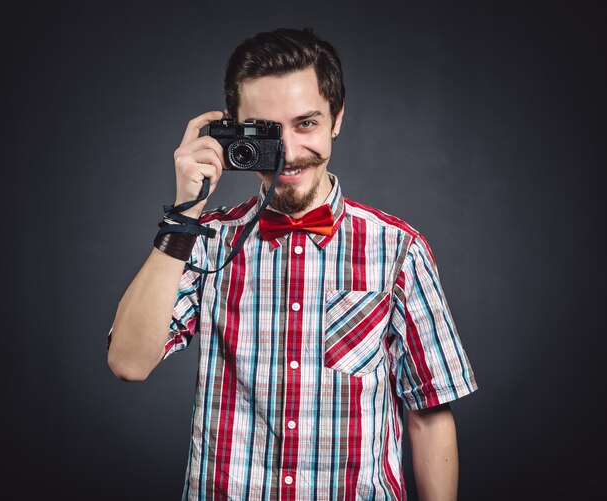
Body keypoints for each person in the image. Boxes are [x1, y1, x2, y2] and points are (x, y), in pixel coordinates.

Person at [108, 28, 477, 501]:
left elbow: (428, 413)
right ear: (233, 129)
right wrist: (184, 215)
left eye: (306, 124)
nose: (288, 152)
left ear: (336, 119)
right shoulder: (205, 241)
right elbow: (128, 364)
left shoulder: (399, 248)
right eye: (266, 130)